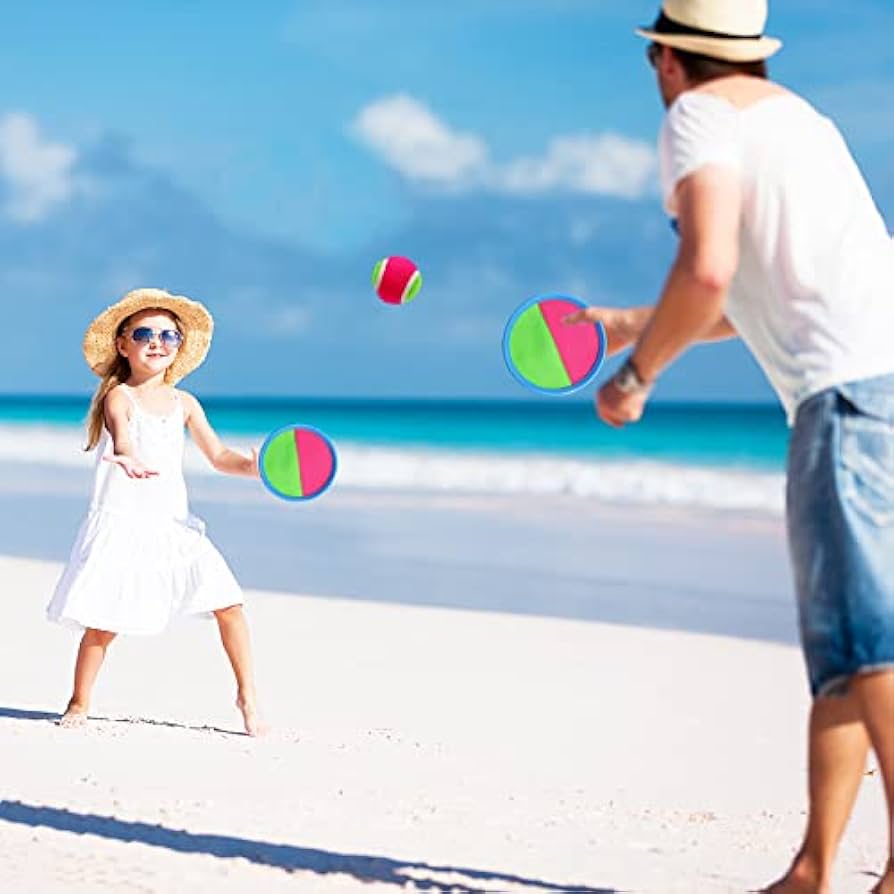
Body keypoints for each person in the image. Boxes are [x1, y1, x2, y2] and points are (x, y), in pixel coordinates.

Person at [565, 2, 894, 892]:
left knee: (870, 642)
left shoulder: (698, 117)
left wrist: (637, 375)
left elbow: (707, 268)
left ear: (669, 60)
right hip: (880, 382)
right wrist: (634, 322)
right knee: (845, 646)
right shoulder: (804, 124)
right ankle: (813, 870)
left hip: (849, 399)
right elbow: (753, 288)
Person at [47, 288, 265, 737]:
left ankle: (247, 697)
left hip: (174, 526)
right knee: (103, 625)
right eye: (144, 333)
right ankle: (78, 701)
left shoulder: (185, 404)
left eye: (168, 335)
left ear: (179, 347)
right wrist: (127, 456)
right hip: (124, 523)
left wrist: (252, 468)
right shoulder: (119, 397)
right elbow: (122, 435)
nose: (157, 342)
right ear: (123, 344)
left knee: (230, 605)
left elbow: (219, 455)